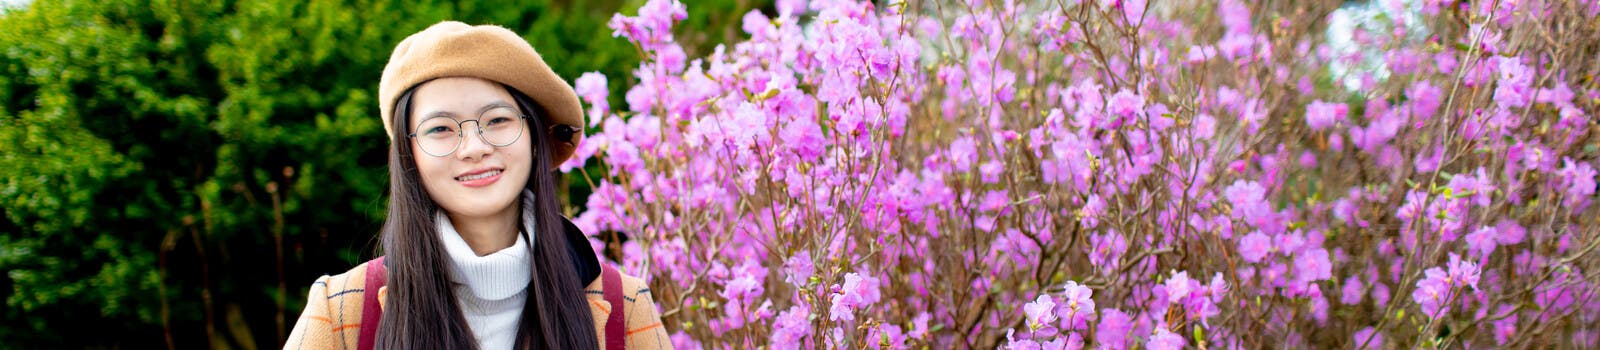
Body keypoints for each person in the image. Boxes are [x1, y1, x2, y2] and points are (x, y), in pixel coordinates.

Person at [284, 21, 669, 350]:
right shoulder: (341, 312)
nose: (474, 148)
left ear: (535, 138)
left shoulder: (625, 307)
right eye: (440, 129)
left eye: (498, 120)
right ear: (408, 154)